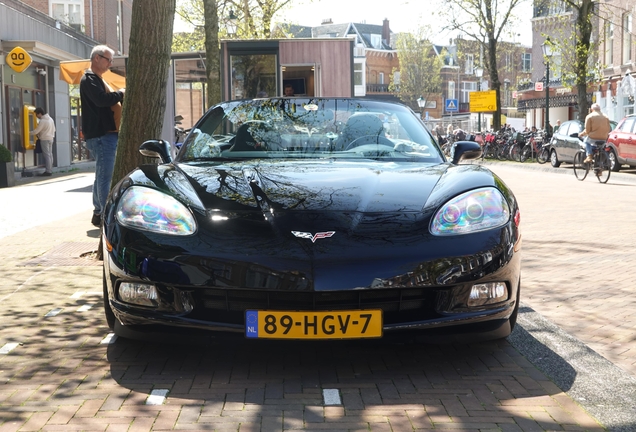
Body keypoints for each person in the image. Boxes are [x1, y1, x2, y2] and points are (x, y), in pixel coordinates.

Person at [80, 45, 125, 227]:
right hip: (102, 134)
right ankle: (103, 212)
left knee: (101, 174)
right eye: (108, 59)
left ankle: (98, 211)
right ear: (97, 58)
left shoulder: (96, 79)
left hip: (105, 134)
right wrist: (120, 93)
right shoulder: (89, 79)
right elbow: (101, 100)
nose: (110, 64)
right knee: (105, 175)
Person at [29, 107, 56, 176]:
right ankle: (50, 169)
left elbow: (36, 131)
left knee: (46, 155)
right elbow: (54, 130)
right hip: (51, 138)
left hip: (44, 139)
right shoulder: (51, 119)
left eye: (36, 115)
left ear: (40, 113)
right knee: (50, 154)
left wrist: (28, 133)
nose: (36, 116)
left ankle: (48, 171)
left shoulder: (43, 121)